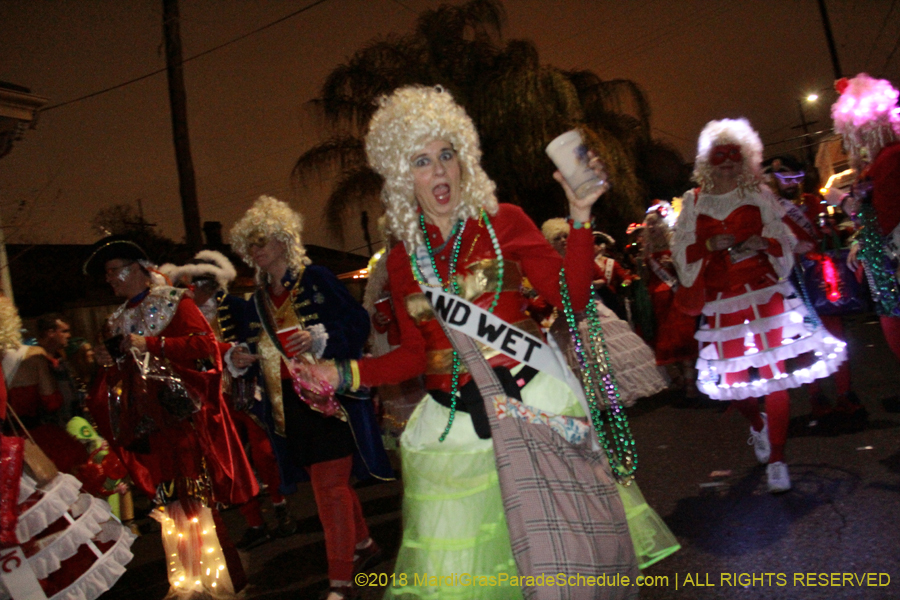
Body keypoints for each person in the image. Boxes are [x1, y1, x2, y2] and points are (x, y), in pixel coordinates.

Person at [299, 86, 638, 599]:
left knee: (561, 565)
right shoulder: (400, 260)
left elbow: (572, 298)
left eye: (446, 155)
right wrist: (343, 373)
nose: (438, 171)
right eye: (421, 161)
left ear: (464, 160)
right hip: (453, 433)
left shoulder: (505, 221)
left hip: (530, 405)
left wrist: (581, 216)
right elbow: (415, 355)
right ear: (401, 176)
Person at [672, 118, 848, 493]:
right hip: (724, 303)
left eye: (735, 157)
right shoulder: (693, 201)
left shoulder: (759, 194)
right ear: (707, 161)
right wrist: (707, 247)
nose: (727, 165)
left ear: (746, 159)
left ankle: (779, 459)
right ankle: (757, 425)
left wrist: (760, 244)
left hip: (765, 295)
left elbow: (783, 240)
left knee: (775, 378)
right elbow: (679, 252)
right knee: (738, 385)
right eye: (720, 157)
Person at [227, 196, 389, 600]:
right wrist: (239, 356)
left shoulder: (315, 278)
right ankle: (365, 546)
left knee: (329, 489)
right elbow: (247, 343)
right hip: (289, 407)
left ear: (283, 239)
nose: (255, 250)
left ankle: (341, 581)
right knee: (329, 486)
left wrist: (320, 336)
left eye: (261, 240)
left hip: (330, 401)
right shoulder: (256, 300)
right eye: (249, 244)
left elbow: (357, 322)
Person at [83, 236, 258, 597]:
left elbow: (204, 346)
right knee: (169, 502)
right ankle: (187, 578)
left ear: (137, 270)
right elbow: (117, 378)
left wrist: (151, 344)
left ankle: (223, 579)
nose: (110, 279)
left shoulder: (174, 303)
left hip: (183, 420)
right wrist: (106, 363)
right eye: (108, 274)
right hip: (148, 426)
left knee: (194, 498)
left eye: (114, 271)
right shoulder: (114, 321)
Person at [162, 249, 297, 550]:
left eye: (196, 285)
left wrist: (241, 358)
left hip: (244, 389)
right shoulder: (180, 315)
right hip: (207, 397)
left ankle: (279, 505)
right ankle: (254, 522)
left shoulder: (237, 306)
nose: (191, 291)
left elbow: (257, 338)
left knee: (263, 453)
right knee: (227, 462)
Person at [763, 155, 866, 429]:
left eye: (797, 179)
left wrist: (830, 233)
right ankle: (816, 396)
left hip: (821, 276)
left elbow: (823, 234)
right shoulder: (770, 208)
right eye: (787, 180)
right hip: (793, 278)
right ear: (775, 180)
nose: (793, 185)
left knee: (836, 335)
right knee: (806, 339)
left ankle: (845, 393)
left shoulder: (810, 202)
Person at [834, 74, 900, 362]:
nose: (855, 146)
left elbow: (886, 215)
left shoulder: (891, 159)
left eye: (858, 135)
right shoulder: (882, 161)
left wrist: (844, 202)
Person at [639, 203, 699, 396]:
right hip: (658, 300)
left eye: (655, 223)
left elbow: (690, 268)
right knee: (668, 344)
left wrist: (675, 264)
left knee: (684, 340)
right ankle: (683, 382)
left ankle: (691, 386)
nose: (652, 227)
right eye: (649, 225)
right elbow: (646, 279)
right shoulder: (646, 251)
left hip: (676, 295)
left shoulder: (675, 243)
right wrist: (641, 267)